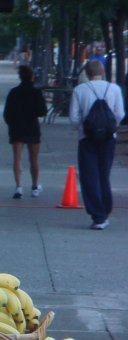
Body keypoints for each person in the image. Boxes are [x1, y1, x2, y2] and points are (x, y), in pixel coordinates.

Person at [69, 59, 125, 230]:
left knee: (89, 176)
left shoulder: (80, 90)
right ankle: (106, 209)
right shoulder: (114, 89)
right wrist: (108, 127)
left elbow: (74, 118)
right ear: (103, 71)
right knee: (104, 174)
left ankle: (98, 216)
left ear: (86, 73)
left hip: (87, 138)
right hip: (108, 138)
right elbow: (120, 113)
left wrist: (85, 127)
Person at [2, 65, 48, 199]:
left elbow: (7, 113)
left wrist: (11, 122)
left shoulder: (13, 92)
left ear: (20, 77)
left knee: (17, 158)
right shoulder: (36, 92)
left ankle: (18, 187)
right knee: (34, 159)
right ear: (32, 77)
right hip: (32, 127)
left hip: (17, 128)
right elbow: (42, 111)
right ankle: (34, 186)